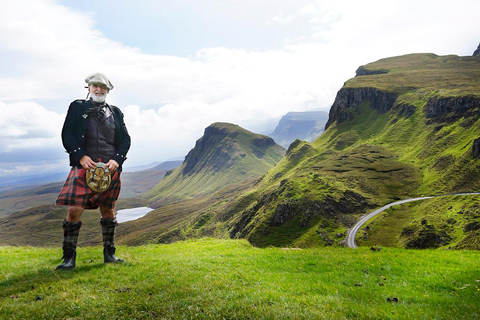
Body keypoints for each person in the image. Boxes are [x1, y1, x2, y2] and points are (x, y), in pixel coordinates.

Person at [55, 72, 131, 270]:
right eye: (95, 86)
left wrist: (116, 159)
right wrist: (80, 155)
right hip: (84, 166)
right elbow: (68, 133)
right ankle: (68, 259)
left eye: (103, 87)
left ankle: (110, 256)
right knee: (74, 210)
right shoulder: (77, 107)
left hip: (109, 168)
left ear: (108, 90)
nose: (99, 89)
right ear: (88, 88)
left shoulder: (115, 112)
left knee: (108, 209)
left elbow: (125, 140)